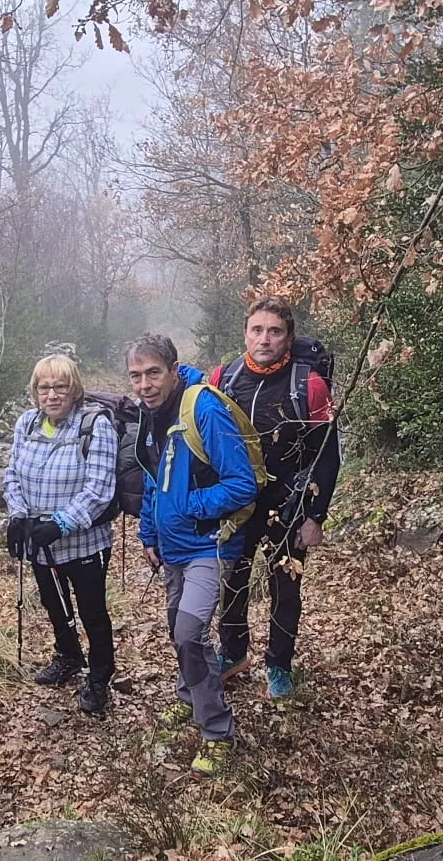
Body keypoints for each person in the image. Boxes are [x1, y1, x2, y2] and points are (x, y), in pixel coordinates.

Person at [128, 333, 260, 776]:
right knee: (179, 630)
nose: (144, 384)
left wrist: (191, 507)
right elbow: (151, 477)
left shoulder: (203, 408)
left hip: (210, 543)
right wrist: (149, 531)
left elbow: (243, 483)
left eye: (153, 373)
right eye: (136, 376)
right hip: (172, 547)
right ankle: (190, 699)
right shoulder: (150, 416)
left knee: (189, 633)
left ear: (172, 368)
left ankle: (218, 732)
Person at [211, 296, 341, 700]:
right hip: (238, 504)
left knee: (285, 588)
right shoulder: (224, 378)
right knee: (232, 581)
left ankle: (279, 665)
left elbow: (328, 455)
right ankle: (233, 653)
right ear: (245, 333)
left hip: (290, 503)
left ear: (288, 338)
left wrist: (315, 516)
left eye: (275, 331)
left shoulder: (310, 386)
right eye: (257, 330)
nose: (264, 339)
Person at [3, 352, 118, 717]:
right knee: (55, 604)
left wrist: (61, 524)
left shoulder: (93, 425)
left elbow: (99, 488)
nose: (52, 395)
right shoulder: (27, 424)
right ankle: (68, 655)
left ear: (75, 390)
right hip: (40, 542)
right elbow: (12, 475)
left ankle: (100, 676)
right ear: (35, 392)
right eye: (44, 387)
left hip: (85, 542)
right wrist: (18, 516)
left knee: (92, 612)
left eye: (61, 387)